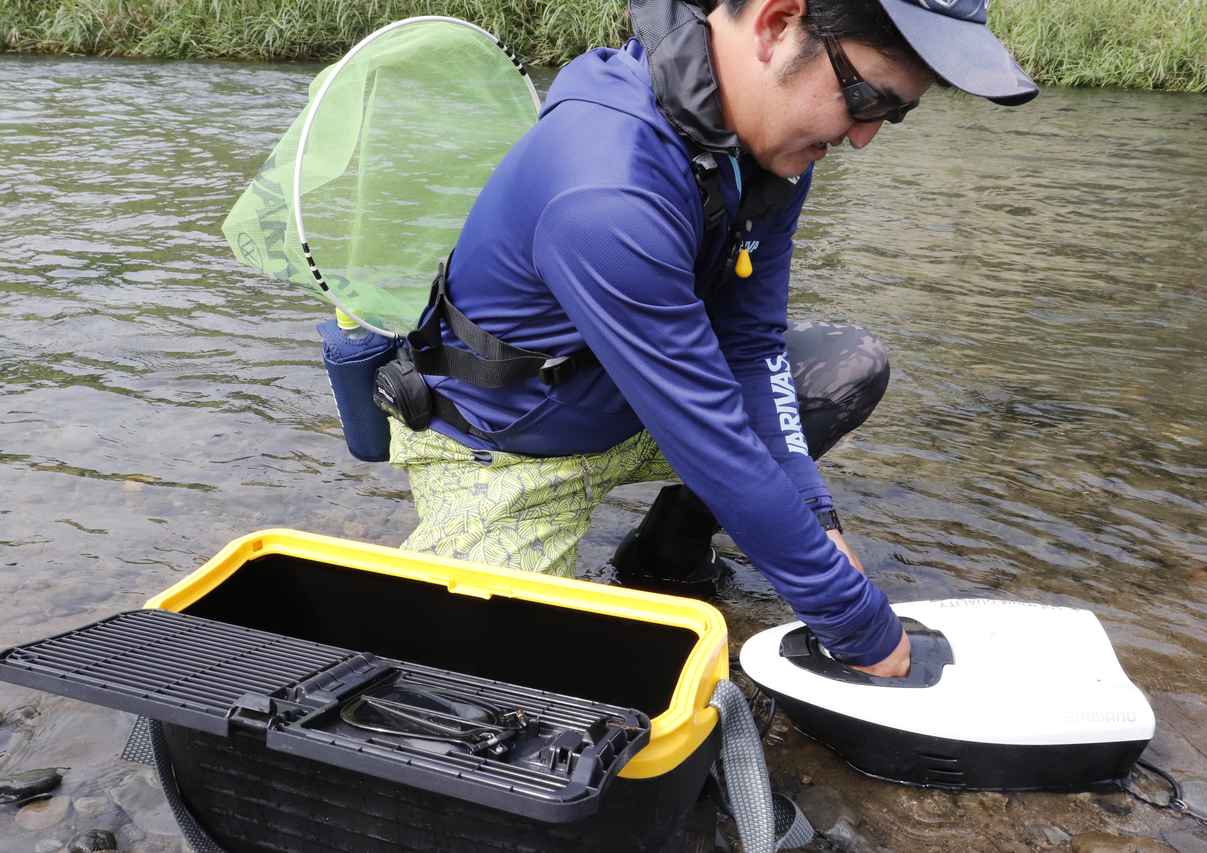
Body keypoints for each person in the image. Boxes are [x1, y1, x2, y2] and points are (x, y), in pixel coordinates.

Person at [384, 0, 1036, 676]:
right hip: (504, 449)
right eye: (867, 98)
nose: (865, 136)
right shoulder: (608, 187)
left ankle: (662, 559)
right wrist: (859, 624)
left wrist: (816, 517)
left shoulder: (771, 152)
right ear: (777, 24)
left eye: (893, 112)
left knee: (844, 367)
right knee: (486, 691)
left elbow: (752, 349)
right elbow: (710, 435)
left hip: (633, 408)